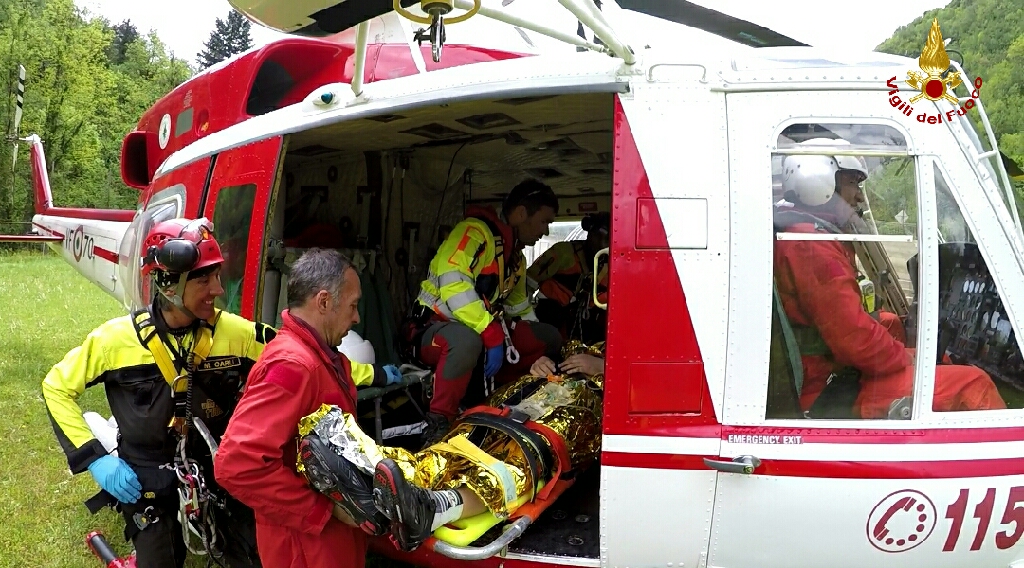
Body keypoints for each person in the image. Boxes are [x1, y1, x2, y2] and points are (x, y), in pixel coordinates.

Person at [41, 218, 270, 568]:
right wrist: (96, 458)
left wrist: (372, 372)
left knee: (252, 556)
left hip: (219, 466)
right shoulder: (114, 340)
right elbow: (56, 386)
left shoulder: (233, 332)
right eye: (204, 278)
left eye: (217, 276)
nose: (218, 290)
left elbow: (297, 354)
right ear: (169, 284)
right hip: (146, 473)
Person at [294, 339, 606, 552]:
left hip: (569, 417)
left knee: (516, 466)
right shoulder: (589, 343)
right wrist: (544, 363)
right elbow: (567, 350)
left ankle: (428, 505)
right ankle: (369, 465)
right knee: (453, 450)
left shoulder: (638, 354)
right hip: (521, 401)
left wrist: (606, 367)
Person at [773, 141, 1006, 418]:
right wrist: (908, 358)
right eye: (853, 183)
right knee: (974, 384)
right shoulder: (812, 246)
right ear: (820, 181)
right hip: (827, 387)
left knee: (893, 324)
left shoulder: (804, 232)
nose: (859, 197)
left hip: (830, 367)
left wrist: (909, 353)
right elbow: (855, 340)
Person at [213, 248, 403, 568]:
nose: (356, 317)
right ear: (324, 301)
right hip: (307, 547)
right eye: (353, 305)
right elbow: (237, 465)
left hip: (329, 540)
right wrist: (322, 511)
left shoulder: (323, 358)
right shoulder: (294, 365)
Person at [404, 179, 564, 446]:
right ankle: (437, 425)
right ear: (521, 214)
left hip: (480, 333)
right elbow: (453, 280)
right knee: (467, 340)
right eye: (544, 222)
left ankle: (507, 399)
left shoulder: (515, 260)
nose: (545, 231)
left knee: (547, 336)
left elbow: (519, 309)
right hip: (430, 330)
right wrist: (490, 332)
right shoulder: (474, 233)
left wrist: (531, 340)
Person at [527, 212, 610, 344]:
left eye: (608, 241)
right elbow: (527, 283)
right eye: (600, 238)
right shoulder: (563, 252)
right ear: (590, 234)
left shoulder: (611, 265)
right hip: (551, 321)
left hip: (586, 330)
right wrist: (527, 320)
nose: (603, 245)